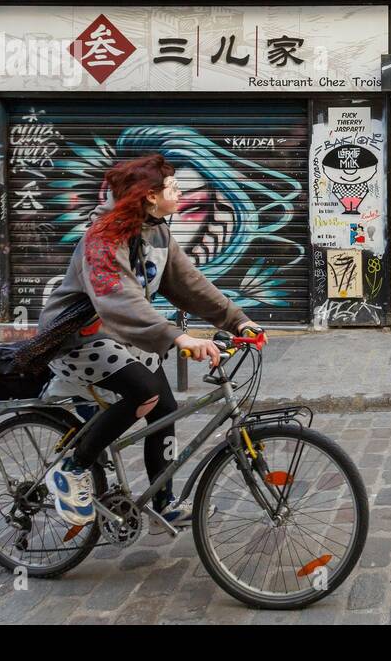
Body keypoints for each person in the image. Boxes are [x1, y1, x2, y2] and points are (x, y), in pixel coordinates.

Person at [36, 153, 259, 529]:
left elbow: (189, 284)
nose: (180, 190)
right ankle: (72, 470)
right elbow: (117, 300)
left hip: (121, 340)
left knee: (165, 409)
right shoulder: (102, 238)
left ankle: (163, 501)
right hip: (80, 340)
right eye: (173, 186)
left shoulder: (157, 231)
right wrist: (178, 336)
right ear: (150, 195)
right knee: (145, 393)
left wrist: (238, 321)